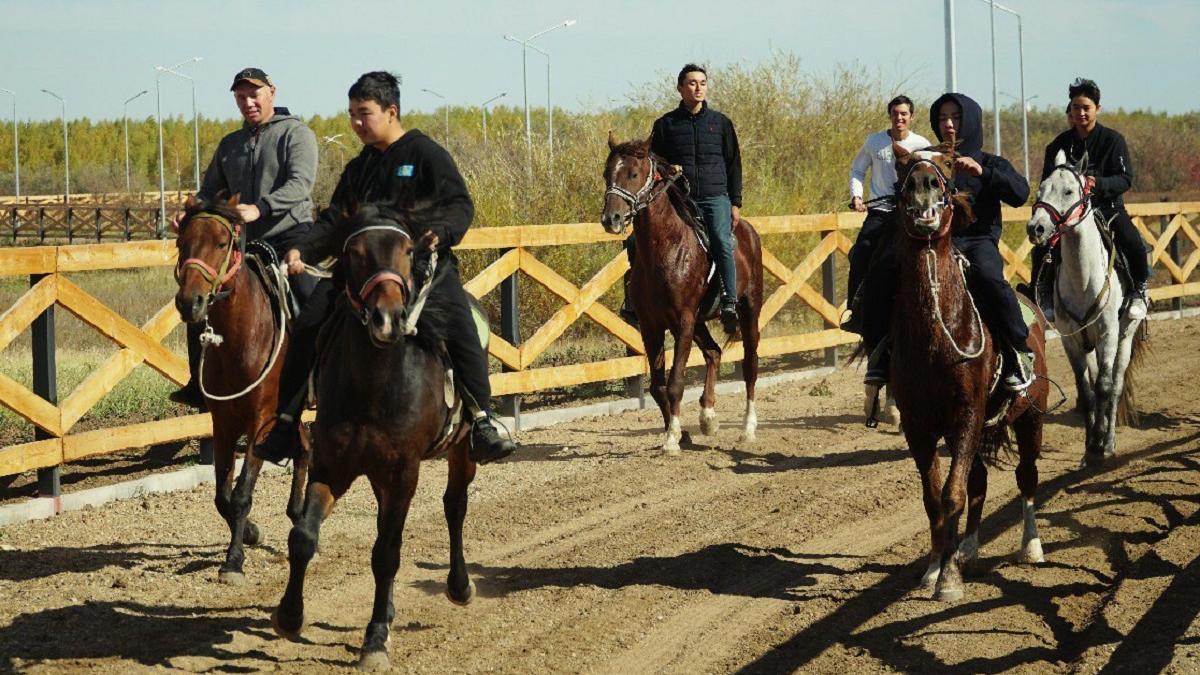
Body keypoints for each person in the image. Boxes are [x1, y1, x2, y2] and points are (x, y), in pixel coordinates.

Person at [252, 71, 516, 466]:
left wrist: (439, 235)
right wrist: (302, 251)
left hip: (422, 269)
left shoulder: (425, 154)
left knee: (460, 324)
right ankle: (286, 424)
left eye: (364, 113)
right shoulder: (359, 169)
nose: (356, 123)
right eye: (351, 114)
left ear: (391, 111)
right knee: (308, 325)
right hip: (359, 274)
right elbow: (333, 220)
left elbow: (461, 205)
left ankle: (482, 420)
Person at [861, 93, 1034, 392]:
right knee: (882, 272)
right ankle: (878, 354)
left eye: (956, 117)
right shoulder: (928, 158)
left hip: (976, 241)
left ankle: (1018, 350)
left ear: (971, 120)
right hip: (930, 242)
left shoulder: (991, 162)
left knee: (991, 278)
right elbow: (905, 188)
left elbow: (1021, 194)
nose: (949, 124)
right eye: (942, 119)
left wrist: (984, 172)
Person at [169, 67, 319, 408]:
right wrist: (188, 212)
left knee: (310, 298)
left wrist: (261, 208)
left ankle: (318, 379)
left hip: (289, 237)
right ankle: (200, 382)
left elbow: (300, 185)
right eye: (241, 97)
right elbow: (210, 193)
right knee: (200, 298)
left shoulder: (296, 134)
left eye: (254, 94)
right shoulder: (230, 145)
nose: (248, 102)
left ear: (271, 93)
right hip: (242, 243)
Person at [620, 63, 743, 335]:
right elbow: (653, 166)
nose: (698, 88)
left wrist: (735, 202)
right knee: (632, 241)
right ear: (680, 88)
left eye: (702, 83)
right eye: (692, 83)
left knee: (722, 242)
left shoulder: (721, 123)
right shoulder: (665, 125)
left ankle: (729, 301)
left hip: (714, 196)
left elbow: (734, 163)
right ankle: (634, 300)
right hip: (679, 198)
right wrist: (668, 168)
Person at [1027, 77, 1148, 321]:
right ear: (1069, 109)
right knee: (1041, 246)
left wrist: (1097, 184)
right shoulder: (1057, 145)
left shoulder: (1113, 141)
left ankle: (1139, 290)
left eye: (1086, 108)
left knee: (1133, 241)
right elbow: (1046, 185)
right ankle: (1041, 292)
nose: (1080, 113)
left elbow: (1125, 179)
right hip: (1066, 214)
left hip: (1107, 208)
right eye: (1075, 107)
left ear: (1097, 109)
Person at [842, 95, 931, 333]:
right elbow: (857, 169)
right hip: (881, 212)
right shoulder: (874, 142)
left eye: (904, 114)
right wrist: (857, 196)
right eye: (895, 113)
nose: (899, 117)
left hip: (912, 214)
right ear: (889, 115)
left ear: (911, 116)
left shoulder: (922, 145)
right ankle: (855, 310)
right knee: (861, 250)